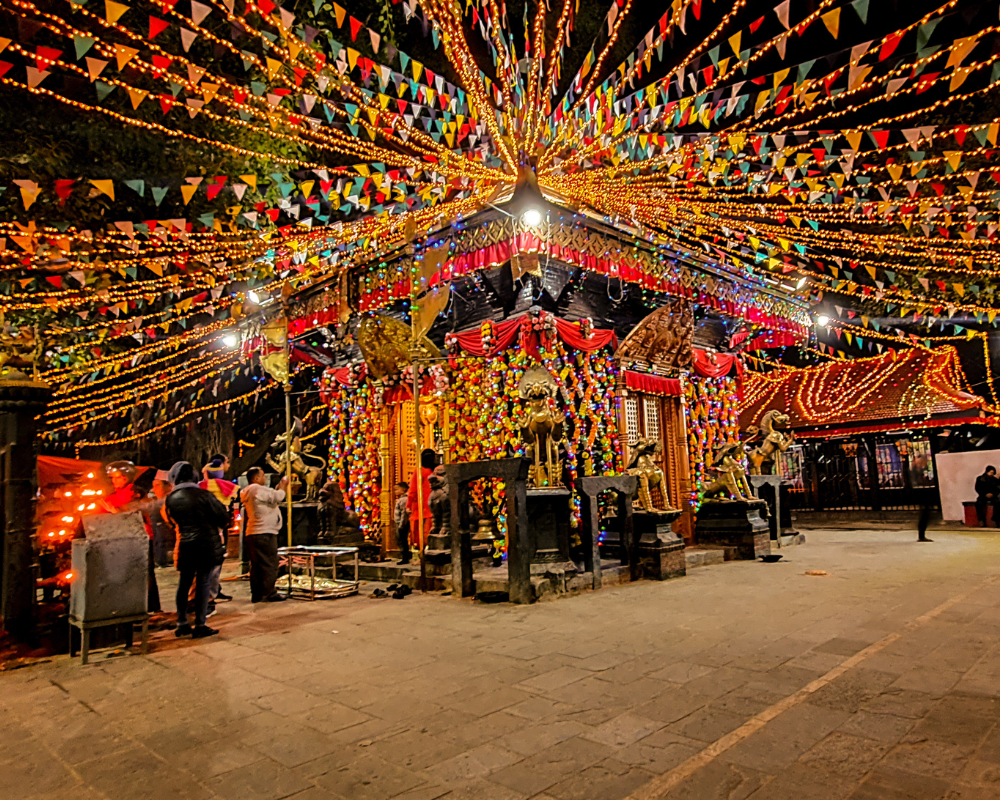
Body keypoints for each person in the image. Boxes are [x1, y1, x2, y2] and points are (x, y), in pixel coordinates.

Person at [163, 461, 227, 638]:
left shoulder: (171, 498)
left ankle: (182, 623)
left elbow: (170, 520)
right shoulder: (203, 495)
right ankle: (200, 624)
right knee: (203, 582)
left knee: (184, 584)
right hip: (206, 543)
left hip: (185, 543)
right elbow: (222, 516)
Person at [105, 461, 160, 612]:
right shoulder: (113, 495)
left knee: (145, 572)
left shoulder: (137, 492)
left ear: (126, 477)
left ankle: (151, 607)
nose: (114, 481)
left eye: (117, 477)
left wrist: (118, 511)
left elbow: (137, 510)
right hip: (122, 538)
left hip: (141, 536)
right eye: (112, 478)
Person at [241, 467, 289, 603]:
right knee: (270, 562)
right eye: (262, 476)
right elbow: (278, 497)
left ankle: (257, 593)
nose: (264, 478)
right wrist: (284, 486)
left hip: (252, 532)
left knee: (256, 565)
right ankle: (270, 592)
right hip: (264, 531)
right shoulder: (257, 489)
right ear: (256, 478)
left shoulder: (247, 491)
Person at [407, 449, 436, 557]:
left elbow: (413, 490)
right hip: (433, 506)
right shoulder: (435, 471)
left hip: (421, 507)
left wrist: (408, 505)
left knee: (420, 535)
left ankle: (422, 557)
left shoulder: (420, 471)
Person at [148, 470, 174, 568]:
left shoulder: (174, 501)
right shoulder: (153, 501)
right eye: (153, 486)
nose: (154, 489)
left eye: (157, 485)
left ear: (169, 486)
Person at [910, 453, 933, 543]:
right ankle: (921, 535)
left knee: (925, 513)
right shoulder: (915, 470)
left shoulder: (921, 469)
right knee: (924, 513)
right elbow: (915, 482)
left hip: (922, 492)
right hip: (920, 493)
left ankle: (922, 534)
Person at [393, 482, 410, 564]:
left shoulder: (404, 499)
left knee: (402, 540)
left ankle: (405, 557)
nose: (395, 492)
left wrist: (401, 525)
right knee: (401, 540)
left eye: (397, 489)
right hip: (400, 522)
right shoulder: (401, 498)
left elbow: (404, 513)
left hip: (402, 523)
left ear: (403, 490)